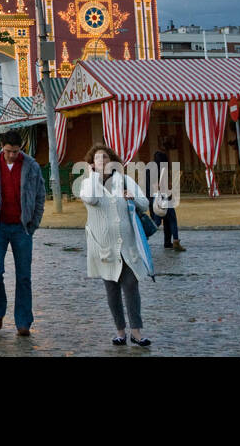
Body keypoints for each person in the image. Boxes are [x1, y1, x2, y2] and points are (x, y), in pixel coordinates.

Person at [80, 144, 153, 347]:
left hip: (127, 245)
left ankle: (136, 332)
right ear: (91, 163)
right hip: (103, 247)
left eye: (105, 157)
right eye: (97, 158)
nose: (102, 161)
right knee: (112, 289)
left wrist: (133, 197)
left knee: (131, 286)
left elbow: (145, 203)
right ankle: (120, 331)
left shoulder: (124, 180)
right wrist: (93, 176)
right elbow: (92, 199)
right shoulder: (88, 184)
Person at [0, 131, 46, 337]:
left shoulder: (32, 166)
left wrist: (33, 223)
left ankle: (23, 321)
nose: (11, 155)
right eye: (8, 151)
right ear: (2, 147)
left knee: (24, 276)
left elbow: (40, 196)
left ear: (21, 148)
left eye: (15, 152)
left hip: (22, 228)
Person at [150, 137, 185, 251]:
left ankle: (144, 238)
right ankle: (175, 241)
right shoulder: (163, 171)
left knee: (157, 221)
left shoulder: (152, 169)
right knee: (172, 220)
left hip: (156, 198)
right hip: (165, 197)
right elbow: (163, 186)